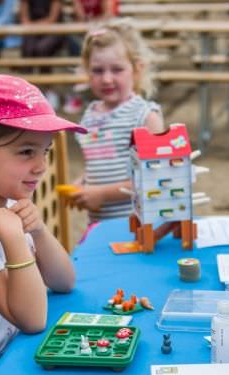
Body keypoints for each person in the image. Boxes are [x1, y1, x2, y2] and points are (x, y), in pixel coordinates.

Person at [0, 72, 87, 375]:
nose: (41, 166)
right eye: (26, 152)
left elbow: (64, 280)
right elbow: (31, 318)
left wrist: (38, 231)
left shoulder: (7, 211)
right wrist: (16, 240)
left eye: (44, 152)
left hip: (10, 360)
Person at [72, 18, 164, 223]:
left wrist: (102, 194)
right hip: (98, 224)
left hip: (139, 226)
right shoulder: (89, 115)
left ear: (137, 69)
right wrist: (83, 183)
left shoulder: (146, 116)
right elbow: (98, 163)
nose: (106, 79)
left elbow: (155, 178)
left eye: (117, 69)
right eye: (97, 70)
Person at [20, 0, 65, 109]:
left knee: (42, 49)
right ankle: (26, 91)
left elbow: (52, 19)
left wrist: (33, 26)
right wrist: (33, 27)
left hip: (54, 31)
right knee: (28, 48)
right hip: (32, 32)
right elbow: (24, 19)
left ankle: (47, 90)